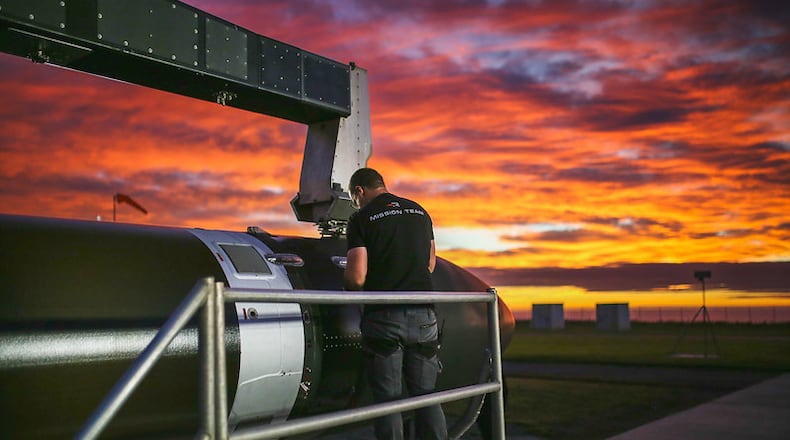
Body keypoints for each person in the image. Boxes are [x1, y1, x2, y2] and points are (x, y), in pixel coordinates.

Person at [344, 168, 447, 440]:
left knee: (388, 400)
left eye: (354, 199)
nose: (355, 204)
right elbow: (430, 264)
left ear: (359, 191)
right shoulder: (419, 211)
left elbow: (356, 277)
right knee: (426, 396)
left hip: (384, 317)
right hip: (424, 314)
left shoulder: (360, 218)